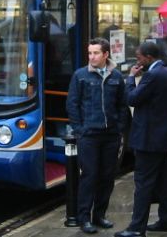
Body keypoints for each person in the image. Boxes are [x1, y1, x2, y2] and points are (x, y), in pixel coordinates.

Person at [115, 42, 167, 237]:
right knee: (164, 182)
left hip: (149, 140)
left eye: (139, 57)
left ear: (149, 57)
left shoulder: (152, 75)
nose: (137, 61)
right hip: (164, 138)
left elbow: (132, 99)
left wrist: (130, 78)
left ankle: (136, 228)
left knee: (143, 184)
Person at [66, 37, 128, 234]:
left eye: (95, 53)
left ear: (105, 55)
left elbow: (122, 105)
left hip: (111, 135)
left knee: (107, 177)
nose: (91, 57)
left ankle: (99, 215)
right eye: (90, 53)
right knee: (90, 176)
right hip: (89, 136)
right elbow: (72, 104)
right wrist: (80, 130)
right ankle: (84, 218)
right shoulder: (80, 76)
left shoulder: (116, 76)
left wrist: (119, 128)